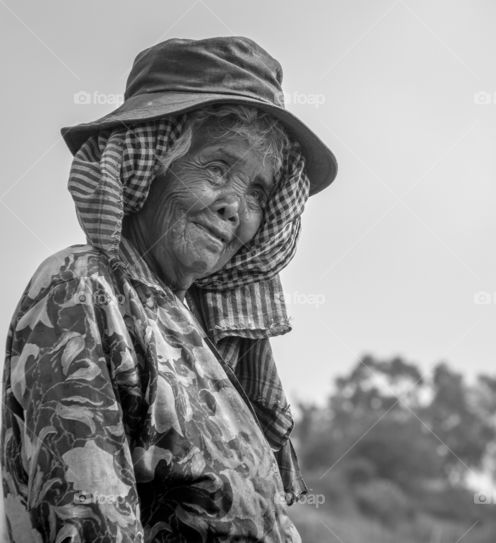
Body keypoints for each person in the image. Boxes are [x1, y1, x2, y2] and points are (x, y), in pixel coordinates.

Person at [1, 36, 338, 541]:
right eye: (218, 168)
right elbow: (90, 522)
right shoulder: (84, 288)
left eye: (257, 191)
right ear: (150, 164)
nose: (236, 209)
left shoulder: (196, 329)